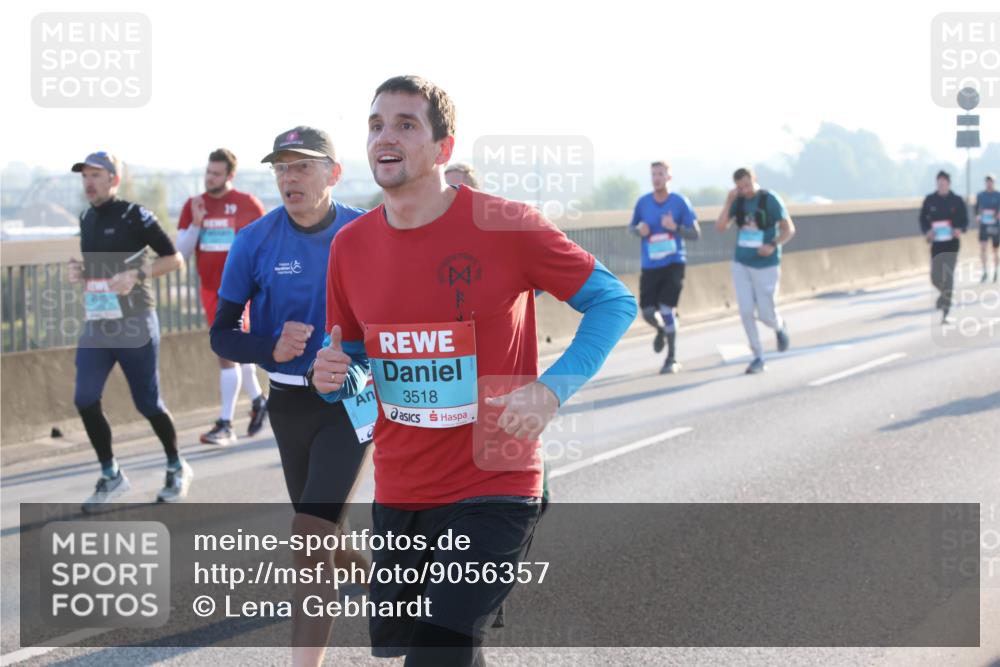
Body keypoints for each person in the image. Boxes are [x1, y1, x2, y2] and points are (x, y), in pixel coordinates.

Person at [311, 75, 636, 667]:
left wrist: (551, 390)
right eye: (376, 124)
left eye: (406, 124)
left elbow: (613, 301)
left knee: (438, 651)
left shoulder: (505, 225)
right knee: (443, 648)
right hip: (402, 488)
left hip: (495, 481)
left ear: (444, 148)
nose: (386, 136)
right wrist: (332, 377)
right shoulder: (349, 246)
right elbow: (355, 360)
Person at [209, 126, 372, 667]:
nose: (289, 177)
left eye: (302, 166)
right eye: (281, 168)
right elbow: (221, 334)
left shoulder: (367, 232)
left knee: (308, 536)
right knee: (322, 533)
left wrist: (361, 360)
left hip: (350, 401)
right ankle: (382, 582)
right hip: (287, 403)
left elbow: (399, 313)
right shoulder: (254, 240)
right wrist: (268, 347)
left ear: (333, 173)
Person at [68, 152, 191, 511]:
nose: (88, 182)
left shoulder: (134, 215)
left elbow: (174, 258)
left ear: (114, 179)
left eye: (96, 175)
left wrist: (136, 275)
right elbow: (100, 271)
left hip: (135, 322)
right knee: (84, 398)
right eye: (84, 176)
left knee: (147, 403)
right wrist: (82, 274)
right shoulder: (86, 217)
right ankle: (111, 474)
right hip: (98, 323)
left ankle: (176, 466)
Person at [176, 148, 268, 445]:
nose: (209, 178)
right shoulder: (194, 205)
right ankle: (259, 401)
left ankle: (226, 423)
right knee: (235, 350)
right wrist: (196, 222)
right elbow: (181, 253)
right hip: (209, 289)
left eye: (216, 174)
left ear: (230, 175)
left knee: (226, 353)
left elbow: (267, 246)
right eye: (208, 172)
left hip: (241, 291)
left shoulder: (247, 204)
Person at [714, 167, 795, 374]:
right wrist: (728, 202)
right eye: (740, 187)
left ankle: (778, 326)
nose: (745, 190)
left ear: (754, 179)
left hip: (766, 264)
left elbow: (788, 229)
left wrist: (772, 245)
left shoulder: (770, 199)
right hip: (741, 262)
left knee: (766, 314)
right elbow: (721, 227)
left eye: (747, 185)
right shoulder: (738, 201)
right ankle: (758, 356)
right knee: (746, 311)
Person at [629, 161, 700, 373]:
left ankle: (671, 358)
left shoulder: (679, 202)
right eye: (653, 174)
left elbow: (695, 234)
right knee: (648, 312)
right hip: (650, 265)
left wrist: (675, 227)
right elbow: (631, 228)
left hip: (674, 263)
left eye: (661, 174)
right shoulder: (643, 203)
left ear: (669, 177)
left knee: (667, 309)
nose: (657, 178)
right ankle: (661, 330)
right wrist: (639, 230)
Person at [919, 170, 969, 323]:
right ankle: (943, 295)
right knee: (935, 277)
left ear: (948, 183)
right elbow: (922, 219)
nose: (940, 186)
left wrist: (959, 229)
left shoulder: (957, 200)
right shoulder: (930, 200)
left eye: (943, 183)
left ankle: (946, 309)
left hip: (952, 243)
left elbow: (965, 221)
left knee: (948, 276)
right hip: (937, 244)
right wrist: (927, 231)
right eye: (938, 183)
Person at [974, 173, 999, 283]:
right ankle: (985, 271)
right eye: (987, 181)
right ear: (985, 183)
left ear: (993, 183)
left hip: (995, 225)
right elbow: (976, 208)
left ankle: (996, 271)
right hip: (984, 225)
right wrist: (977, 216)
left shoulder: (998, 195)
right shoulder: (980, 195)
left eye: (991, 181)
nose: (989, 183)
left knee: (995, 250)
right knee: (983, 248)